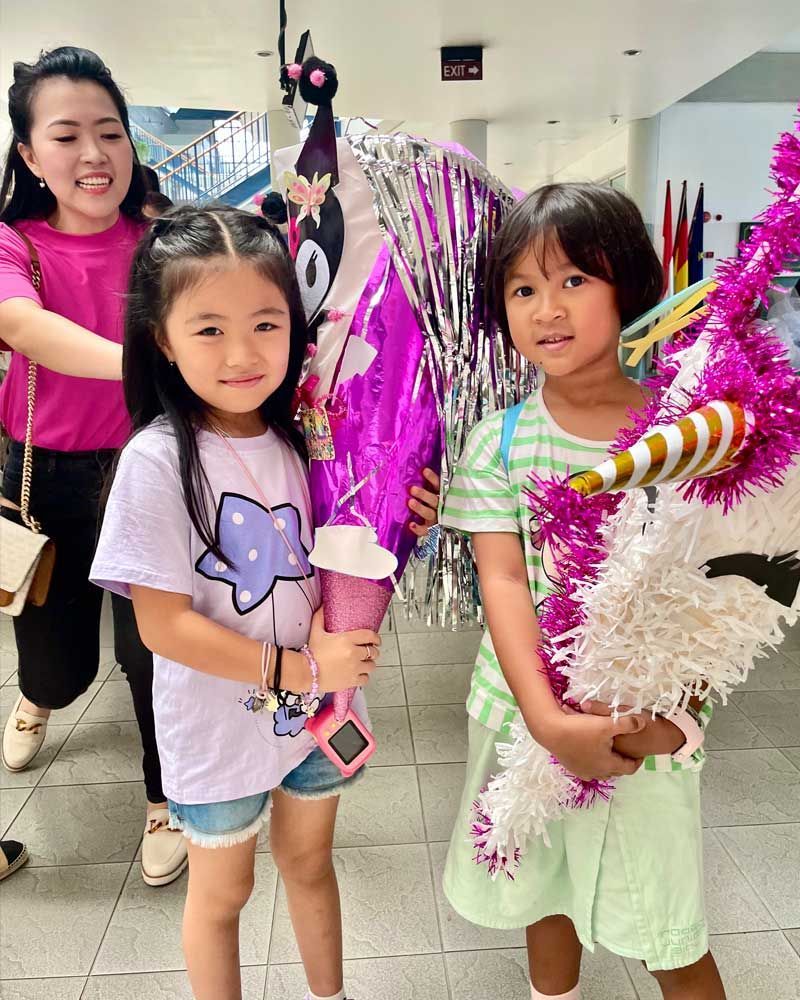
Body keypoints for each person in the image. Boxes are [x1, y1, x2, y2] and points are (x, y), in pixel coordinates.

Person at [90, 204, 438, 1000]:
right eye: (209, 329)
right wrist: (302, 667)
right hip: (216, 728)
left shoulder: (310, 437)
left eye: (266, 324)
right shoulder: (156, 461)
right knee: (223, 895)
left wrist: (405, 520)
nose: (243, 353)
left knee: (310, 865)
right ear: (162, 339)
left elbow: (341, 558)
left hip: (317, 720)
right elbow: (163, 627)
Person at [440, 184, 725, 1000]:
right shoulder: (497, 443)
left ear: (627, 284)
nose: (547, 309)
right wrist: (548, 721)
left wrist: (678, 717)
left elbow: (717, 590)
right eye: (523, 289)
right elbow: (503, 581)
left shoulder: (687, 433)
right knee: (544, 896)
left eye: (574, 280)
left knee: (670, 928)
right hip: (523, 716)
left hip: (646, 721)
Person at [0, 46, 187, 887]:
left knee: (155, 652)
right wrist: (142, 363)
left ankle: (165, 798)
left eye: (110, 132)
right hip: (42, 478)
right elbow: (23, 327)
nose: (94, 154)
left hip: (150, 472)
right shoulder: (14, 243)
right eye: (66, 135)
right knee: (58, 663)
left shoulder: (163, 242)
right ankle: (38, 694)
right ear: (30, 154)